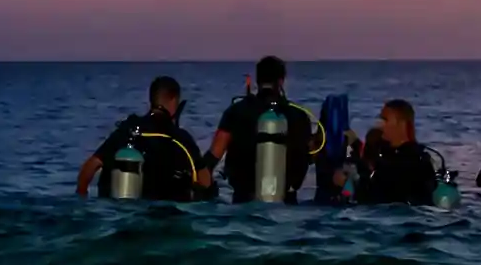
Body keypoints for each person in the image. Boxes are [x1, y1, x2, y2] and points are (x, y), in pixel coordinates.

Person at [201, 56, 322, 203]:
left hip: (243, 203)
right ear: (281, 81)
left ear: (257, 81)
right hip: (287, 208)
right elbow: (306, 157)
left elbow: (212, 157)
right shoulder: (299, 115)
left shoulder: (235, 111)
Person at [76, 76, 208, 201]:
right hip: (164, 216)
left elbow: (90, 167)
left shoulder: (128, 131)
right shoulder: (181, 138)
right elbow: (206, 182)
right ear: (174, 100)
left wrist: (81, 196)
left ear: (151, 100)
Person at [349, 99, 439, 205]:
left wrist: (362, 174)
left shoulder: (411, 162)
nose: (380, 125)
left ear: (401, 125)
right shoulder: (395, 155)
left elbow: (371, 196)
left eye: (385, 120)